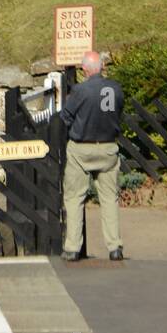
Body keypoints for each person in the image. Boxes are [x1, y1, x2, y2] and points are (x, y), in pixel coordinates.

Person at [60, 49, 125, 261]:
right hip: (108, 148)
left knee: (74, 197)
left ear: (85, 69)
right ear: (102, 68)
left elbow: (66, 116)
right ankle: (114, 246)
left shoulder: (80, 90)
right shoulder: (116, 89)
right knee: (109, 198)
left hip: (81, 148)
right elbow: (119, 112)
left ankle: (72, 248)